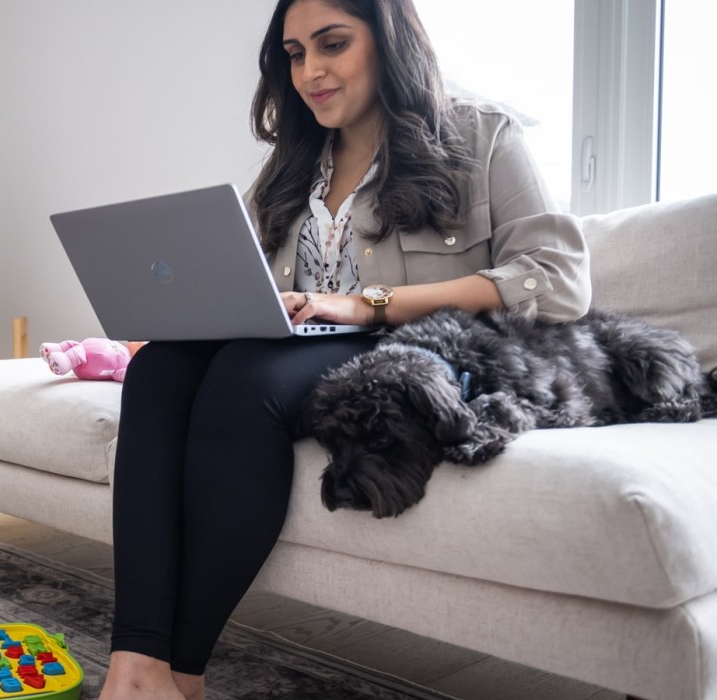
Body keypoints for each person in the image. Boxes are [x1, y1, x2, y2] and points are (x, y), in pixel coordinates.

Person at [97, 1, 590, 698]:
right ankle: (135, 664)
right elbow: (239, 280)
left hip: (412, 346)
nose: (311, 71)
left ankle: (181, 673)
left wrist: (371, 303)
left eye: (332, 44)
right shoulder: (290, 166)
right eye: (295, 54)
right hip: (303, 342)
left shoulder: (482, 136)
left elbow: (559, 278)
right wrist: (185, 318)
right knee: (156, 370)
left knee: (245, 379)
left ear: (388, 42)